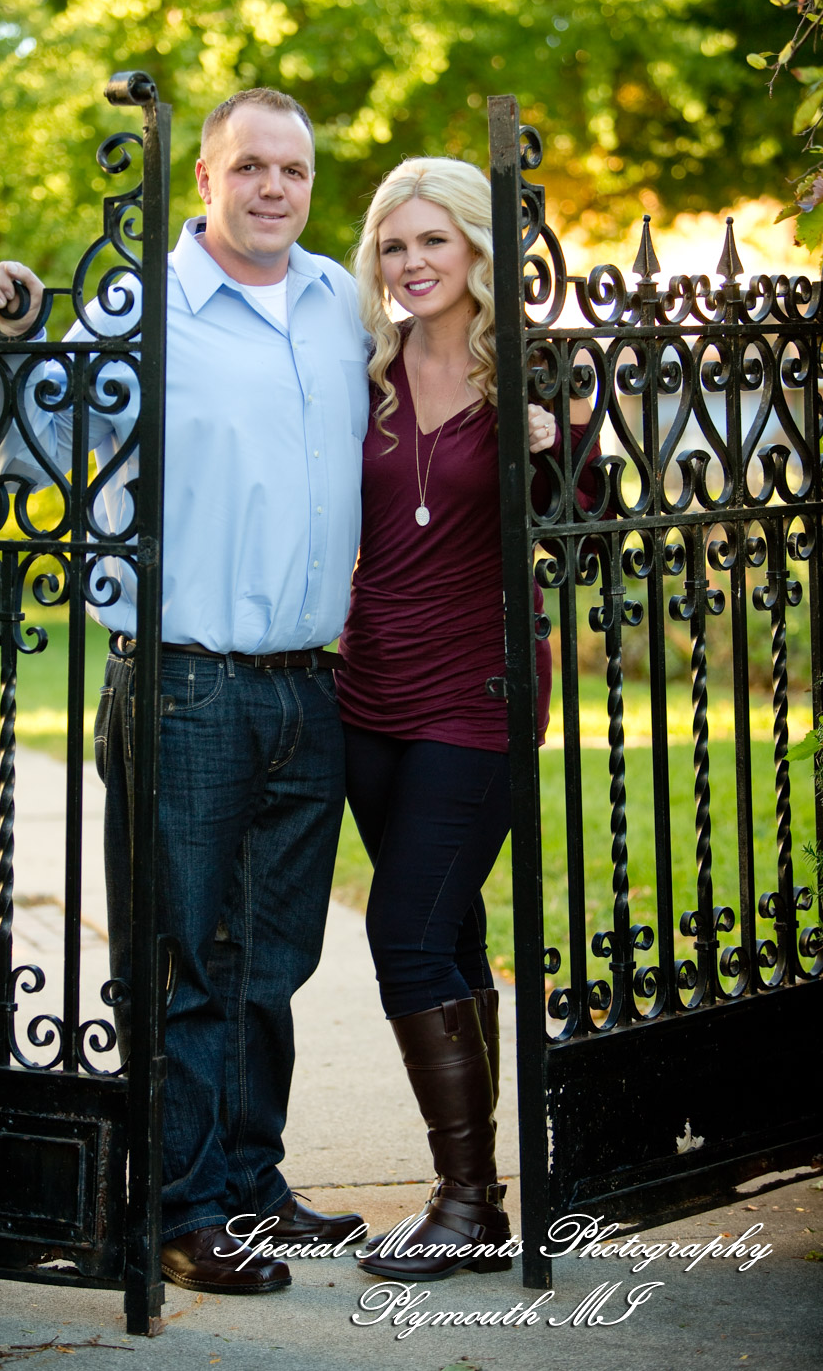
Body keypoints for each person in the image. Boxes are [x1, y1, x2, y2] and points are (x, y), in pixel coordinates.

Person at [0, 89, 369, 1295]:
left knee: (272, 964)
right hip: (185, 683)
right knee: (188, 958)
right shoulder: (143, 308)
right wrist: (12, 342)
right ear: (204, 177)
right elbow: (43, 449)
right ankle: (187, 1214)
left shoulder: (337, 301)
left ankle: (251, 1183)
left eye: (292, 170)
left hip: (309, 687)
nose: (273, 188)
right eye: (249, 166)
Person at [337, 156, 596, 1281]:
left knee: (401, 932)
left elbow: (585, 524)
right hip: (367, 685)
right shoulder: (367, 367)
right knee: (442, 935)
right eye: (394, 245)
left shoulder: (536, 368)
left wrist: (556, 444)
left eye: (432, 240)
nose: (411, 263)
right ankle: (479, 1201)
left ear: (478, 249)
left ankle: (462, 1200)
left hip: (478, 688)